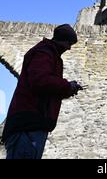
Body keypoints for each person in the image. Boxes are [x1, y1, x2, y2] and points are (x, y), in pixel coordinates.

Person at [1, 24, 83, 159]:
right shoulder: (44, 52)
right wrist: (67, 86)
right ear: (62, 40)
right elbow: (41, 81)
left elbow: (45, 88)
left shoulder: (48, 52)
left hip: (32, 124)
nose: (68, 48)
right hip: (28, 124)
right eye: (69, 44)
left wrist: (68, 90)